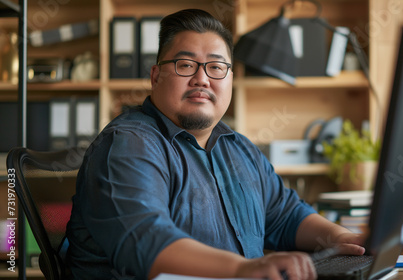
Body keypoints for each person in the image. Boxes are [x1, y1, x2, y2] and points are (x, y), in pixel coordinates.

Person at [66, 9, 365, 280]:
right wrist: (243, 269)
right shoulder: (128, 145)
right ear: (156, 76)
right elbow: (147, 244)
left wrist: (342, 238)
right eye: (185, 65)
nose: (202, 79)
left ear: (230, 79)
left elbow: (285, 215)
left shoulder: (240, 149)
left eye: (216, 67)